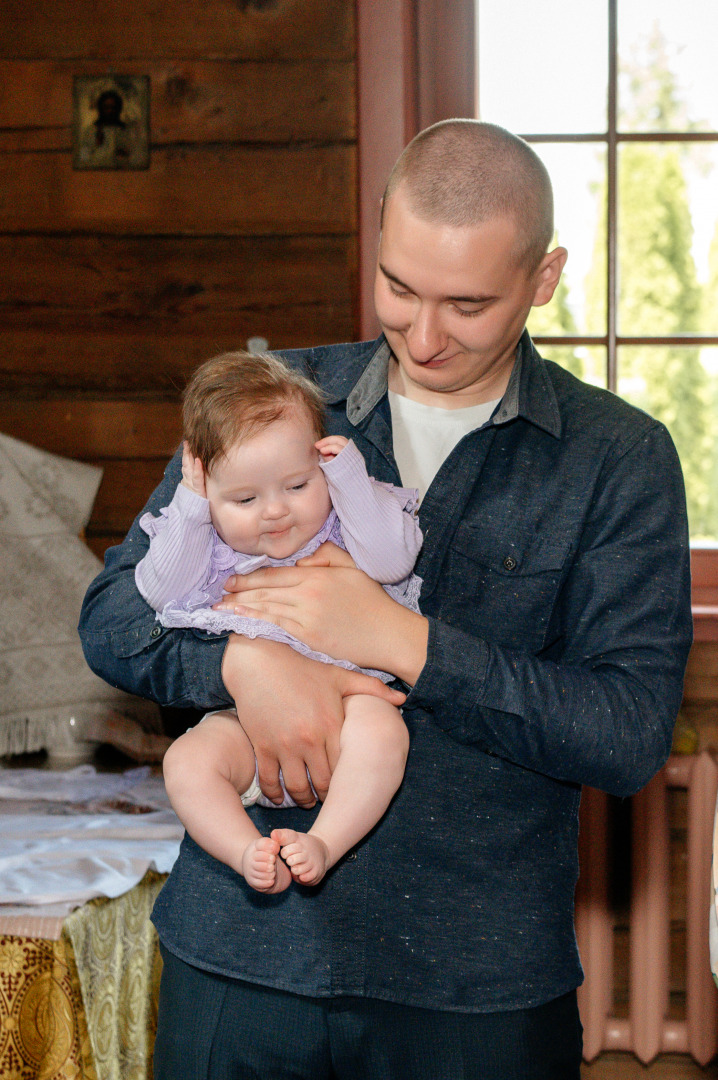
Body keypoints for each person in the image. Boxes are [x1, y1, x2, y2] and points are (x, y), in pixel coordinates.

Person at [79, 119, 692, 1079]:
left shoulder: (619, 456)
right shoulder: (274, 398)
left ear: (544, 279)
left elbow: (624, 735)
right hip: (242, 965)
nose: (425, 333)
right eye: (399, 286)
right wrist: (244, 663)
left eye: (469, 304)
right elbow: (112, 617)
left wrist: (406, 644)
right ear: (378, 232)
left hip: (479, 992)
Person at [135, 350, 421, 892]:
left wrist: (351, 483)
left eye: (297, 485)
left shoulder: (344, 517)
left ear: (320, 461)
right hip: (249, 725)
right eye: (244, 497)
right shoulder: (202, 538)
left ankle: (324, 842)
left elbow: (393, 561)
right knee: (186, 762)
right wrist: (194, 508)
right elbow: (158, 591)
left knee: (383, 732)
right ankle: (246, 851)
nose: (275, 510)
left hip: (348, 711)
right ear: (207, 490)